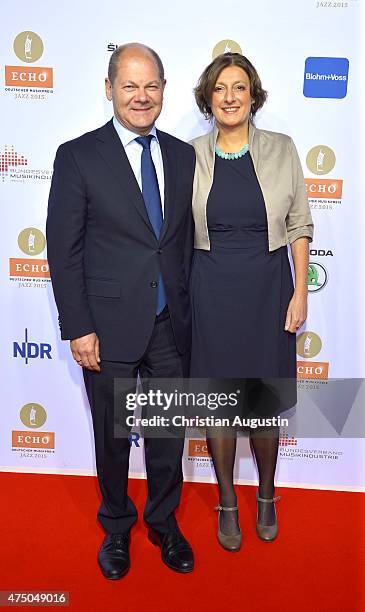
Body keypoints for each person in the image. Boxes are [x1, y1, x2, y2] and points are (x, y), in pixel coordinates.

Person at [46, 43, 195, 579]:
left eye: (151, 85)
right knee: (111, 438)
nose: (141, 96)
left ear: (163, 91)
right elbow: (63, 250)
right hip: (105, 329)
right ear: (109, 89)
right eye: (130, 85)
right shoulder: (79, 155)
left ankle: (163, 522)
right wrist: (79, 325)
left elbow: (179, 243)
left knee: (166, 435)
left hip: (170, 326)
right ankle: (116, 527)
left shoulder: (183, 155)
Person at [190, 53, 313, 551]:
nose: (231, 97)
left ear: (254, 95)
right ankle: (226, 501)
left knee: (261, 406)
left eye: (240, 87)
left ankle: (265, 495)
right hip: (210, 289)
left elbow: (300, 225)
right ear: (208, 98)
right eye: (221, 88)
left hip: (268, 288)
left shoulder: (283, 149)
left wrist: (300, 290)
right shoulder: (189, 153)